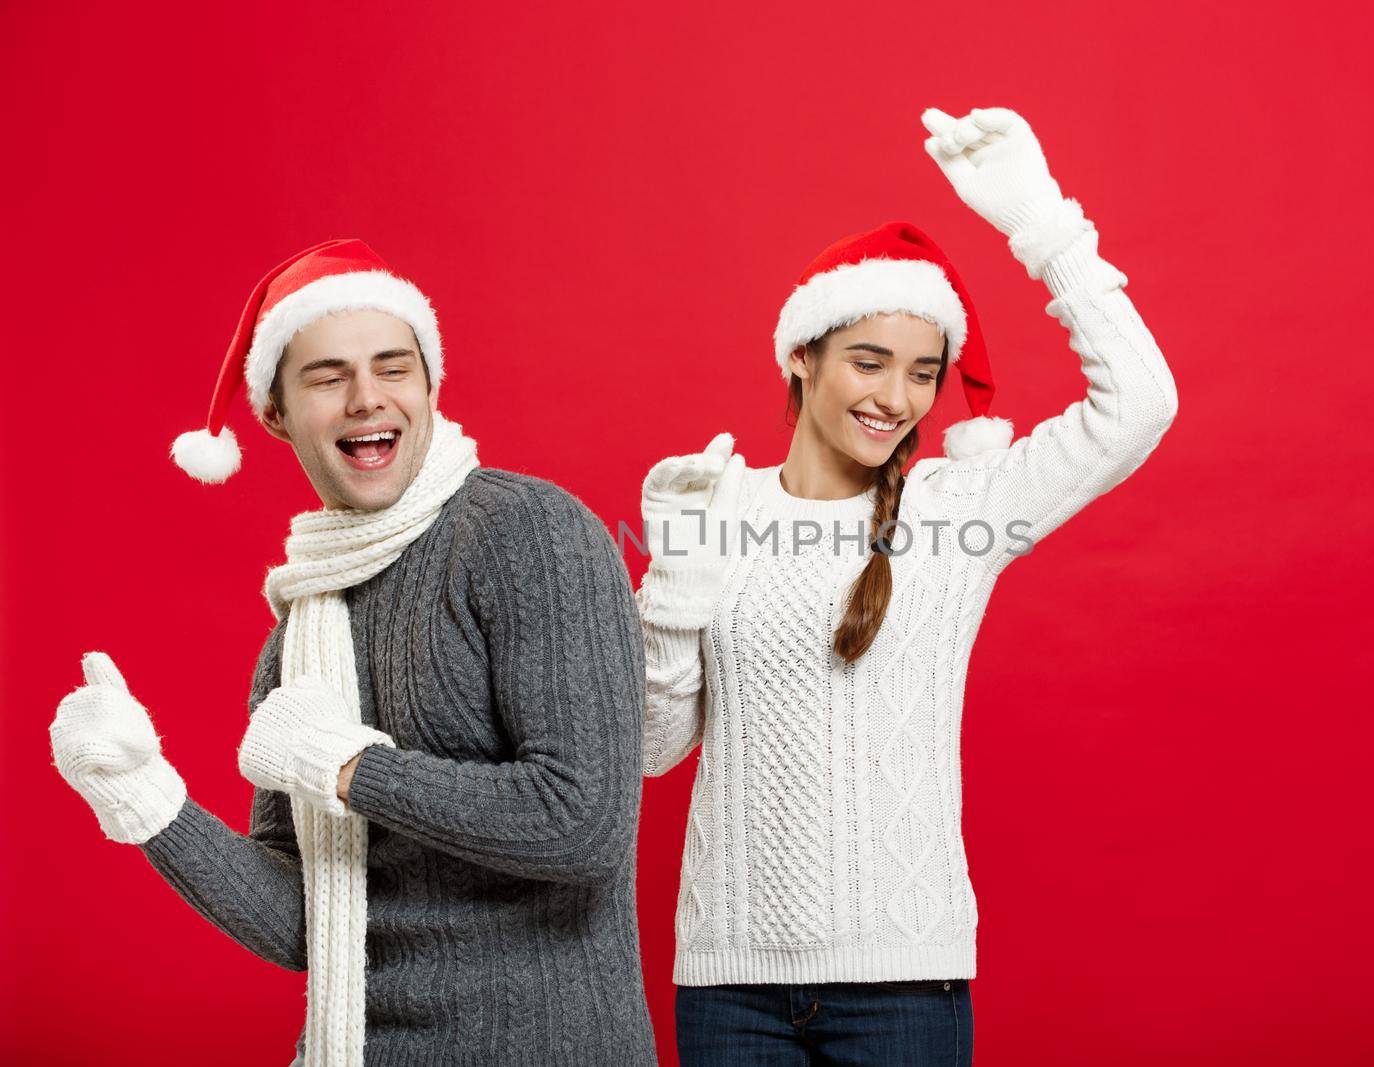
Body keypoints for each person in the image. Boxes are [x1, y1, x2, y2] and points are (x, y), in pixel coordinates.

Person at [632, 106, 1180, 1065]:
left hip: (903, 987)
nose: (896, 397)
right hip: (727, 984)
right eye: (868, 361)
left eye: (924, 372)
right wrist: (673, 576)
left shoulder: (956, 509)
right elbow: (650, 748)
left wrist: (1042, 226)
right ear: (801, 358)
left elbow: (1141, 403)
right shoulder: (715, 499)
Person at [47, 240, 657, 1066]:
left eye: (393, 367)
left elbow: (581, 822)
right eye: (328, 377)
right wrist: (146, 799)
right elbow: (309, 922)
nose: (368, 400)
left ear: (432, 384)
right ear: (275, 412)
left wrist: (347, 768)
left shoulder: (528, 533)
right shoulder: (300, 633)